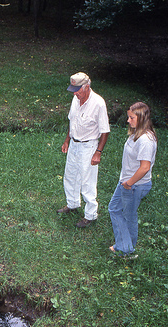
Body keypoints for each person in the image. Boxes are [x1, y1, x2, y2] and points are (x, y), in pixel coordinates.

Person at [57, 72, 110, 228]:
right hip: (74, 143)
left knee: (87, 181)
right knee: (70, 174)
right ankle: (72, 204)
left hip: (89, 146)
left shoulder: (98, 103)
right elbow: (72, 121)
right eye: (73, 89)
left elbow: (105, 131)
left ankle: (91, 215)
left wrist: (98, 152)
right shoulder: (76, 99)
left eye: (77, 89)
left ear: (87, 87)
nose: (75, 93)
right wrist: (67, 140)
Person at [108, 102, 157, 258]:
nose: (128, 120)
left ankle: (125, 249)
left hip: (134, 185)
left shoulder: (146, 140)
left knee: (121, 212)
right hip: (127, 182)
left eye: (131, 117)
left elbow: (144, 167)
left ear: (142, 118)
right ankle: (126, 245)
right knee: (121, 211)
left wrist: (128, 183)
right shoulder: (137, 134)